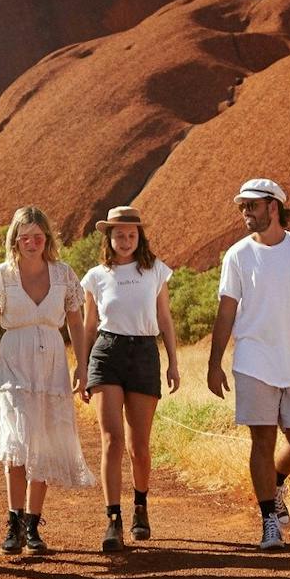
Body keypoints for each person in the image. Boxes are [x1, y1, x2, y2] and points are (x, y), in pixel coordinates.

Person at [206, 178, 290, 550]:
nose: (245, 213)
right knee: (262, 440)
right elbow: (226, 310)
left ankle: (277, 480)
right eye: (242, 207)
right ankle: (269, 520)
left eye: (252, 206)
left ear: (274, 207)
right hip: (253, 360)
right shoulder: (237, 255)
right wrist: (214, 362)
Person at [0, 206, 91, 556]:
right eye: (24, 236)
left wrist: (82, 367)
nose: (31, 242)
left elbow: (75, 323)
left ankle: (33, 526)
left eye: (38, 236)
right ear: (15, 239)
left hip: (53, 362)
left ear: (47, 239)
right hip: (14, 361)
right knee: (17, 439)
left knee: (41, 440)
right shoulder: (2, 275)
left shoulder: (63, 275)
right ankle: (13, 522)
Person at [76, 206, 180, 552]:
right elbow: (89, 326)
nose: (125, 240)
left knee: (139, 445)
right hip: (107, 353)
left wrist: (173, 364)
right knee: (112, 440)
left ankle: (140, 507)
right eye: (119, 234)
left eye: (131, 235)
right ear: (109, 237)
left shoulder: (155, 271)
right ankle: (113, 519)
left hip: (144, 354)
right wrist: (82, 367)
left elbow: (165, 319)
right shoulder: (95, 276)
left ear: (140, 237)